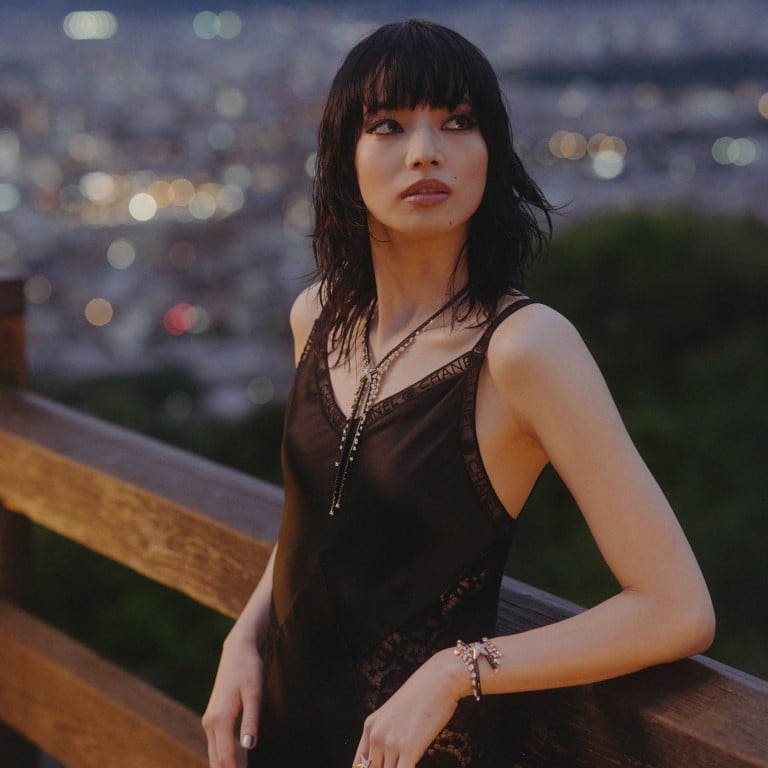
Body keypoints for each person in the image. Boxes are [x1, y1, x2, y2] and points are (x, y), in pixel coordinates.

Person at [202, 19, 715, 768]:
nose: (425, 151)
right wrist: (241, 639)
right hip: (280, 733)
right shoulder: (316, 316)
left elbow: (677, 610)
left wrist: (454, 671)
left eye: (458, 122)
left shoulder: (523, 349)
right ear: (344, 157)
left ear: (491, 153)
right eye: (388, 125)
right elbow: (315, 517)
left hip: (421, 752)